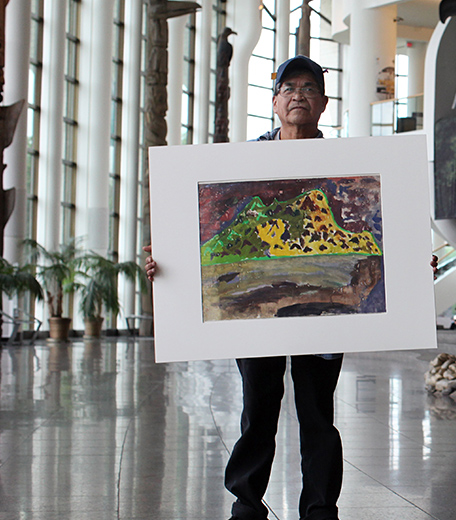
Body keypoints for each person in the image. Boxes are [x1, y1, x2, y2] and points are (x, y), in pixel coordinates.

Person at [144, 55, 437, 520]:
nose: (299, 95)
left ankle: (320, 508)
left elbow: (385, 229)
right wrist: (169, 261)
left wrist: (412, 264)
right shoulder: (242, 163)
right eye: (289, 88)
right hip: (253, 318)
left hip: (325, 318)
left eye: (309, 88)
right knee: (257, 408)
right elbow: (198, 229)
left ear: (323, 103)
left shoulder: (348, 163)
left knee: (317, 411)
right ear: (275, 101)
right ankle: (246, 503)